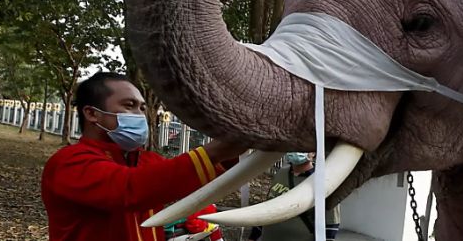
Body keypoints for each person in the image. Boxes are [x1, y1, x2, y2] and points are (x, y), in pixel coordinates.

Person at [41, 71, 247, 241]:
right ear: (92, 114)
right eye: (129, 106)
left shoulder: (145, 160)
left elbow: (191, 181)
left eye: (142, 108)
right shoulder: (69, 163)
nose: (140, 115)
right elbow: (130, 189)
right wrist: (215, 151)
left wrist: (238, 146)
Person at [248, 152, 340, 241]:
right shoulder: (281, 173)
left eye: (303, 148)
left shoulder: (324, 181)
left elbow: (331, 223)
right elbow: (267, 207)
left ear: (313, 153)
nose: (296, 151)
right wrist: (253, 236)